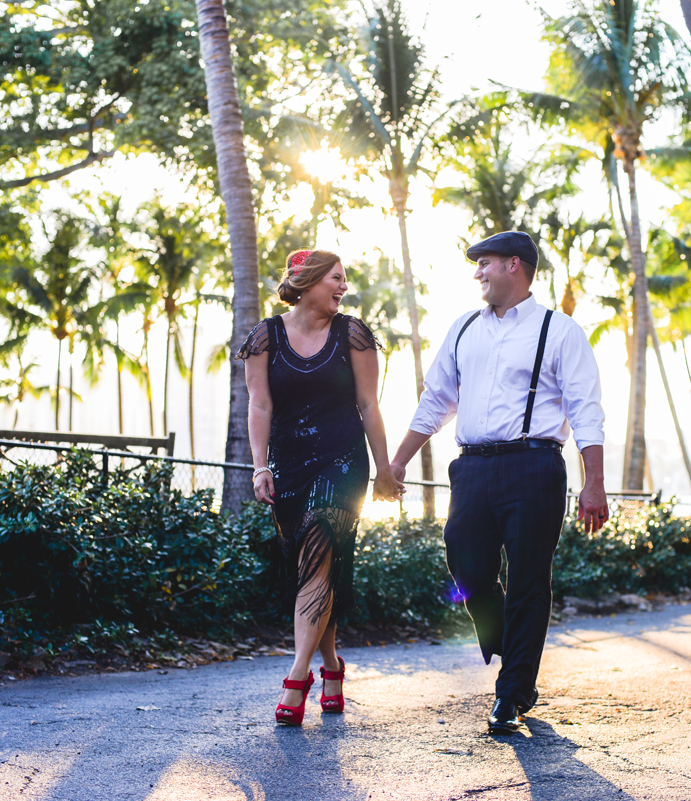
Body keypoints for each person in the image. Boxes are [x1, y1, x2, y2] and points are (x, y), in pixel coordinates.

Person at [389, 230, 609, 735]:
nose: (477, 273)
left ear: (515, 265)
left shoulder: (560, 331)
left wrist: (592, 483)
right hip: (471, 468)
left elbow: (586, 412)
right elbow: (435, 402)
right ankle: (518, 662)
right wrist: (399, 462)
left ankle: (510, 695)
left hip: (534, 467)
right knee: (467, 568)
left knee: (530, 580)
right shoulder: (464, 328)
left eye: (484, 263)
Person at [238, 248, 404, 727]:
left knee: (317, 544)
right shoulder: (264, 337)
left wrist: (384, 471)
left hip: (342, 461)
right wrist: (260, 467)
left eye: (344, 279)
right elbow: (260, 407)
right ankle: (331, 666)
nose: (343, 286)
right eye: (336, 277)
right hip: (288, 466)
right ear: (308, 281)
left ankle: (297, 676)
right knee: (315, 566)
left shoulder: (352, 333)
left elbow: (368, 405)